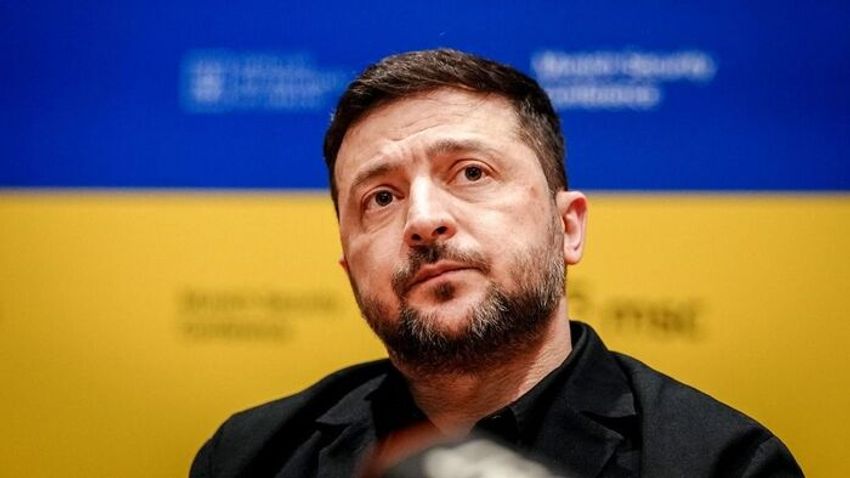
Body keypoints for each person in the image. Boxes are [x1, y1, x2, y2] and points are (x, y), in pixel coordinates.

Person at [190, 49, 802, 477]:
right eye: (381, 198)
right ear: (351, 270)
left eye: (471, 173)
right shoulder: (250, 458)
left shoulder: (723, 462)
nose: (423, 220)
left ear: (567, 227)